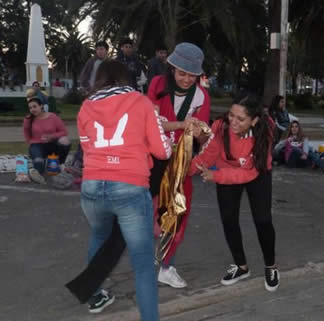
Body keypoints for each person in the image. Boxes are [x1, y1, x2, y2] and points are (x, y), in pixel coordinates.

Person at [76, 59, 172, 319]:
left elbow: (87, 148)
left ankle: (95, 294)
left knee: (99, 235)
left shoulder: (87, 106)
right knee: (142, 263)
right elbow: (162, 150)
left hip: (92, 186)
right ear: (126, 78)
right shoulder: (141, 102)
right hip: (129, 187)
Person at [187, 92, 280, 292]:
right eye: (231, 115)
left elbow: (248, 174)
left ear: (254, 120)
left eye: (240, 119)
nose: (233, 122)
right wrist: (183, 170)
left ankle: (270, 266)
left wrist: (217, 176)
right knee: (229, 219)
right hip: (226, 168)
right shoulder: (221, 127)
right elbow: (208, 155)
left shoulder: (265, 133)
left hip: (257, 173)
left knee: (262, 219)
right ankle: (241, 266)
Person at [147, 42, 211, 289]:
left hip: (180, 161)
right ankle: (144, 262)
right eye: (181, 73)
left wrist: (203, 133)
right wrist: (182, 125)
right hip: (152, 157)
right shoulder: (156, 85)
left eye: (191, 74)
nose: (186, 79)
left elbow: (201, 134)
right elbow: (151, 122)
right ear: (172, 69)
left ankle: (166, 267)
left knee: (177, 214)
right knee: (141, 211)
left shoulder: (201, 96)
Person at [23, 97, 71, 184]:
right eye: (30, 108)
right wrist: (30, 143)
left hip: (52, 144)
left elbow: (64, 132)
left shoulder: (53, 117)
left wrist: (51, 136)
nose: (32, 109)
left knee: (65, 140)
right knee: (38, 163)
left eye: (34, 106)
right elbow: (26, 132)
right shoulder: (28, 119)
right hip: (37, 145)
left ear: (41, 106)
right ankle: (36, 172)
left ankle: (60, 163)